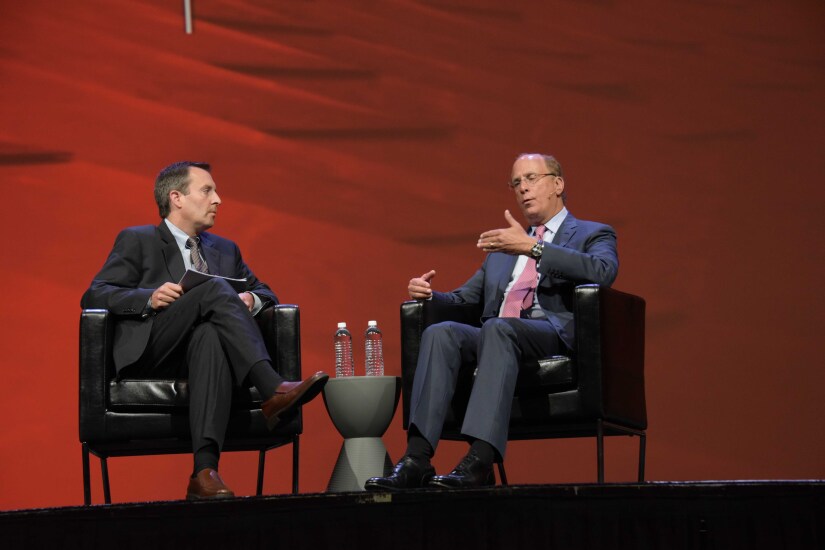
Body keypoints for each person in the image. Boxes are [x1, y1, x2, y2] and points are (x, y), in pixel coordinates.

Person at [365, 153, 619, 490]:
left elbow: (604, 272)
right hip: (499, 334)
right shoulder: (503, 250)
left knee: (498, 328)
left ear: (558, 184)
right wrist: (430, 296)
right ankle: (417, 458)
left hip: (552, 334)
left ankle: (480, 459)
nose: (523, 189)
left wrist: (534, 247)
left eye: (531, 178)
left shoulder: (592, 233)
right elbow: (464, 299)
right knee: (441, 332)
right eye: (516, 183)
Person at [81, 161, 328, 499]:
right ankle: (272, 388)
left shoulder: (225, 250)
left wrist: (248, 299)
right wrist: (148, 297)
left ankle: (204, 472)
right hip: (156, 347)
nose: (218, 200)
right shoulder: (138, 239)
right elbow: (95, 293)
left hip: (204, 356)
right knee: (212, 289)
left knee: (209, 334)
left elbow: (267, 294)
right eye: (207, 190)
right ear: (177, 197)